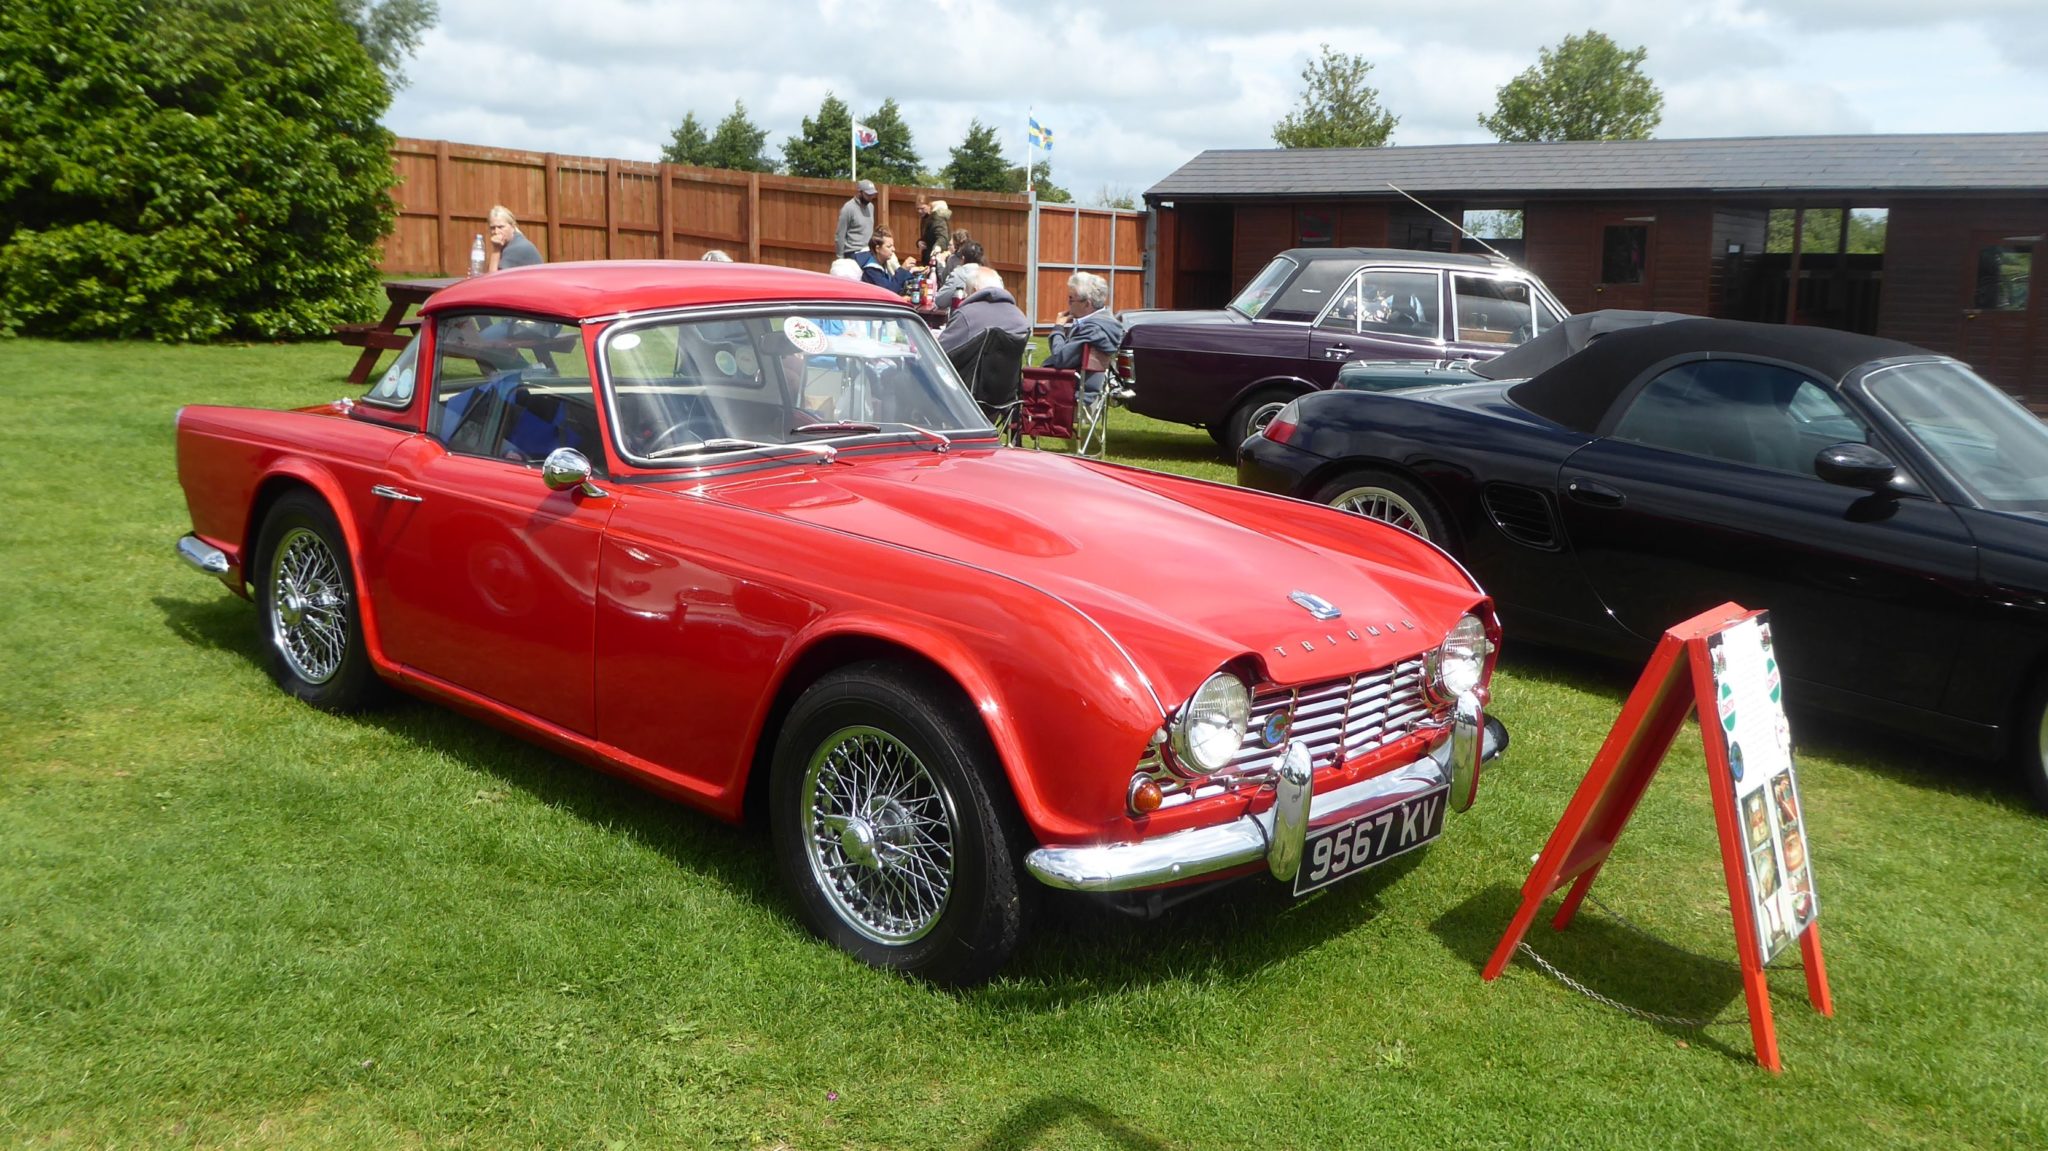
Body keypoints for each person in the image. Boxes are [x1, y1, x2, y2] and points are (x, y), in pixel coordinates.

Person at [1045, 271, 1124, 398]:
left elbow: (1060, 359)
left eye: (1071, 299)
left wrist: (1058, 328)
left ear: (1087, 303)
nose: (1068, 303)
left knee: (1021, 386)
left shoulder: (1093, 329)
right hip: (1084, 389)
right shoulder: (1106, 324)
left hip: (1073, 392)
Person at [939, 266, 1029, 356]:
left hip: (966, 365)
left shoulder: (966, 315)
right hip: (1007, 366)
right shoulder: (1020, 318)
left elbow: (940, 352)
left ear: (974, 290)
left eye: (967, 292)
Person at [854, 229, 920, 295]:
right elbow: (889, 291)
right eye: (889, 246)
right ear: (877, 249)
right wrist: (903, 270)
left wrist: (911, 272)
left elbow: (896, 283)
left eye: (893, 245)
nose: (893, 249)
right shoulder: (871, 270)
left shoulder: (884, 263)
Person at [485, 206, 543, 272]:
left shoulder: (518, 247)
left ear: (512, 226)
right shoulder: (509, 243)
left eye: (500, 227)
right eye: (492, 228)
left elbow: (493, 277)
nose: (496, 232)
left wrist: (496, 250)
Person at [936, 240, 984, 312]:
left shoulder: (958, 275)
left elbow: (940, 300)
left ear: (963, 258)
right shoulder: (992, 275)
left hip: (965, 317)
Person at [836, 179, 878, 260]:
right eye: (868, 195)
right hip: (853, 251)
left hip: (868, 251)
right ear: (859, 193)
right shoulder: (848, 208)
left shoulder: (871, 207)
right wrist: (840, 257)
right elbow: (840, 235)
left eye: (872, 195)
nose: (871, 197)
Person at [917, 197, 952, 265]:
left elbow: (942, 238)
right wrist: (919, 242)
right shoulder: (925, 218)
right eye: (917, 209)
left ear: (929, 206)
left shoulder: (937, 218)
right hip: (927, 258)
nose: (919, 211)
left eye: (922, 208)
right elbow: (927, 236)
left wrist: (936, 249)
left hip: (938, 259)